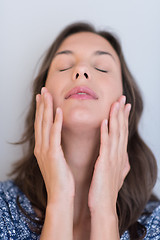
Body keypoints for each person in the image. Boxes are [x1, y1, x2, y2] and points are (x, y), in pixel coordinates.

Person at [0, 22, 159, 240]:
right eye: (64, 65)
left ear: (125, 101)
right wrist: (60, 201)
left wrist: (105, 210)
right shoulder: (4, 209)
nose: (81, 70)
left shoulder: (154, 224)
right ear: (42, 96)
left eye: (102, 67)